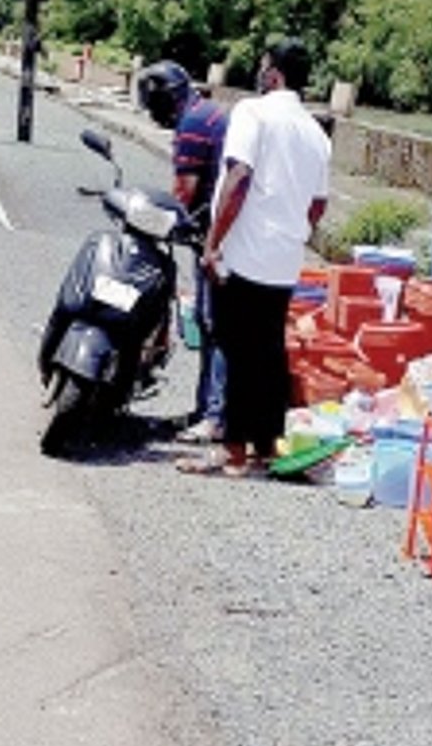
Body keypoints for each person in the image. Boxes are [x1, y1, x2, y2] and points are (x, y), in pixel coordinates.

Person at [186, 38, 331, 477]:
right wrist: (295, 232)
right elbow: (318, 204)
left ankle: (232, 451)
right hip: (284, 258)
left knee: (234, 346)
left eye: (264, 66)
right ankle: (265, 445)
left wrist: (213, 242)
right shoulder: (316, 133)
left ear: (274, 75)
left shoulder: (253, 112)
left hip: (244, 251)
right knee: (268, 350)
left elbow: (239, 176)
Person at [136, 60, 228, 442]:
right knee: (209, 324)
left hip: (219, 237)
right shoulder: (205, 113)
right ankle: (207, 409)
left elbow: (183, 193)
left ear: (165, 100)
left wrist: (155, 224)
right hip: (221, 229)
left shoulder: (192, 125)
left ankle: (215, 416)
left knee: (215, 325)